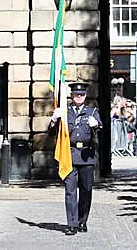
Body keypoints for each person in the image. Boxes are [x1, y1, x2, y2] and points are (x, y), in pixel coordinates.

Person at [48, 82, 102, 236]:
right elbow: (51, 133)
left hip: (86, 155)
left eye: (82, 94)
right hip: (69, 155)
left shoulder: (92, 112)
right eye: (76, 94)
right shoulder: (64, 112)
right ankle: (71, 224)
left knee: (86, 190)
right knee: (70, 191)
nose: (79, 97)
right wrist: (53, 119)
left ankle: (82, 220)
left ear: (85, 96)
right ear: (71, 95)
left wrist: (96, 125)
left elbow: (101, 129)